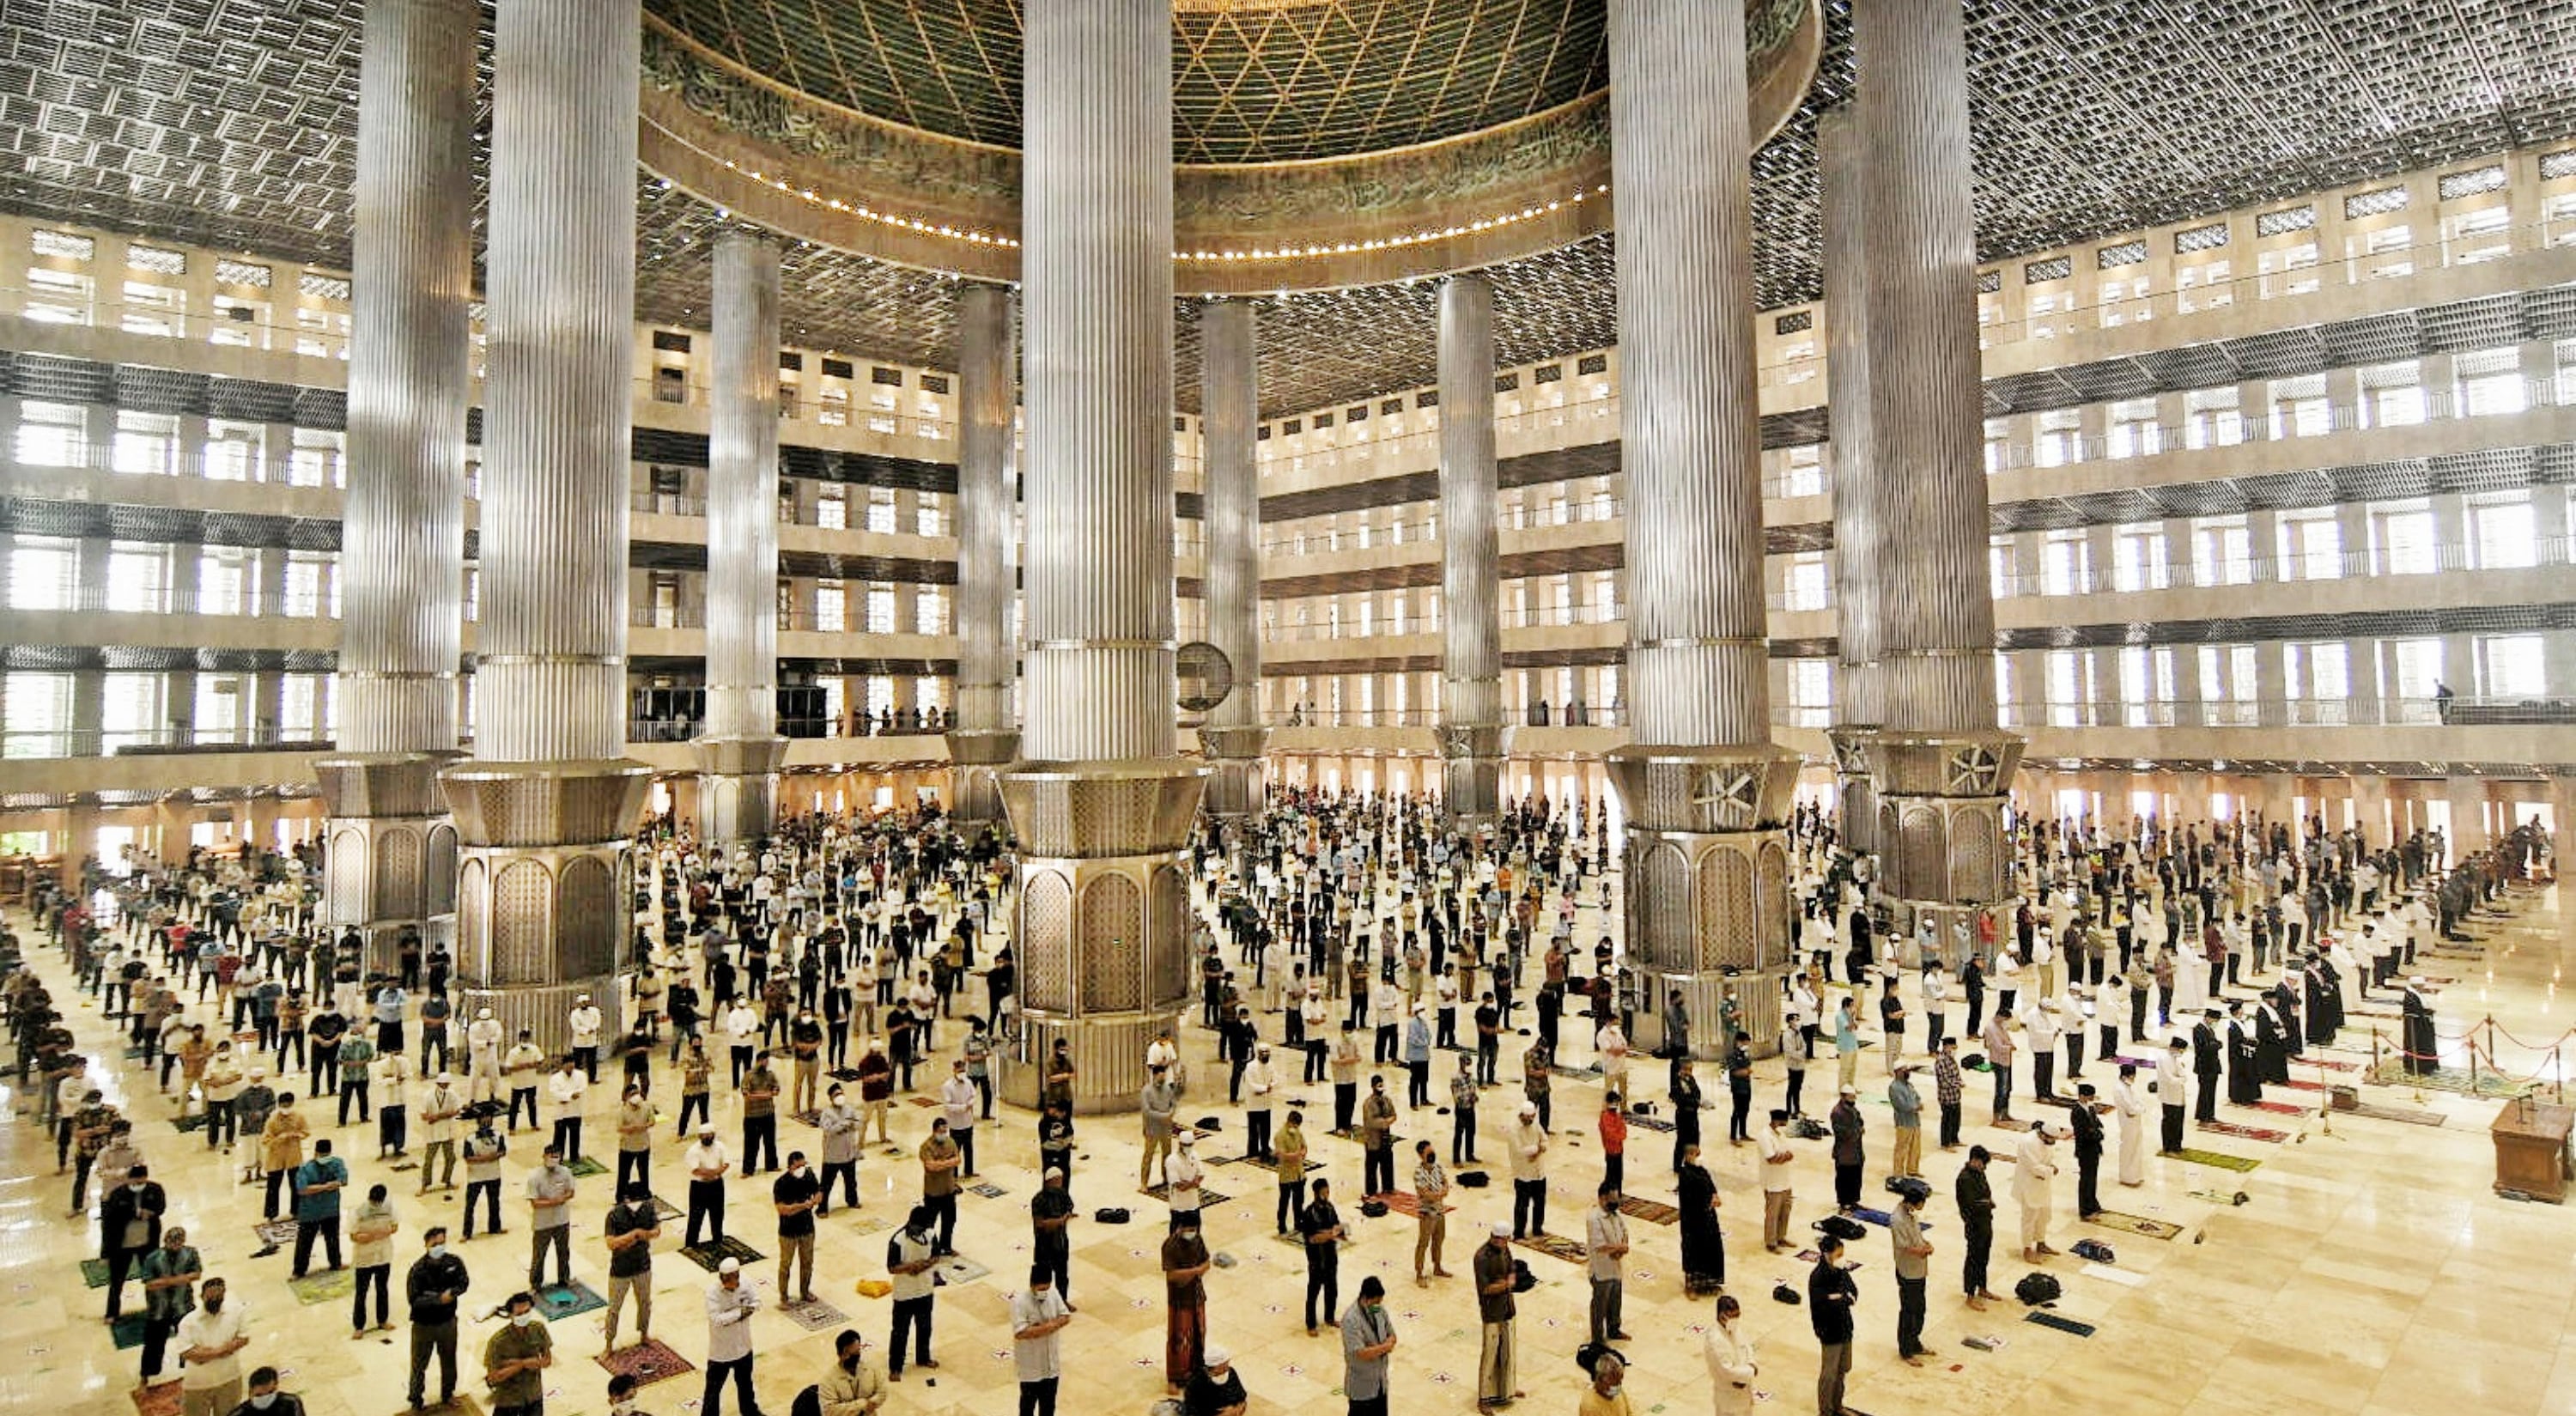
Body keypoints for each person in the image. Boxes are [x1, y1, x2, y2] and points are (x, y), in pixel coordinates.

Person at [406, 1226, 470, 1410]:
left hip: (447, 1322)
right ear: (426, 1245)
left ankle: (448, 1393)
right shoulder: (418, 1270)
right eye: (435, 1244)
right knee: (419, 1364)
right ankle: (416, 1399)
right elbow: (414, 1300)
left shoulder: (454, 1262)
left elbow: (464, 1282)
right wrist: (438, 1300)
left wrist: (454, 1293)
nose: (439, 1247)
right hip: (423, 1326)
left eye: (442, 1243)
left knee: (449, 1360)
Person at [138, 1224, 203, 1389]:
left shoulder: (190, 1253)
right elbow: (150, 1284)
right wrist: (177, 1280)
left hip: (183, 1307)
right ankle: (145, 1377)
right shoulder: (153, 1258)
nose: (175, 1245)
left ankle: (192, 1370)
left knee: (190, 1340)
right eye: (172, 1242)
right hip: (159, 1309)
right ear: (165, 1241)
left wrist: (165, 1281)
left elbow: (197, 1274)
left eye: (179, 1242)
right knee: (153, 1344)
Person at [101, 1161, 167, 1322]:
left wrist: (150, 1213)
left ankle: (155, 1308)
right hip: (122, 1246)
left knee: (152, 1278)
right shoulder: (118, 1195)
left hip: (147, 1242)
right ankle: (112, 1313)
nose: (139, 1183)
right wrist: (105, 1253)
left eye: (142, 1180)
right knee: (117, 1280)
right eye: (136, 1181)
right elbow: (109, 1224)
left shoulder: (155, 1189)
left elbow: (160, 1208)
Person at [175, 1276, 250, 1416]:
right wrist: (222, 1351)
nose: (215, 1299)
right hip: (197, 1384)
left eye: (219, 1296)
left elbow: (244, 1338)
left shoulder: (236, 1312)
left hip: (230, 1377)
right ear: (202, 1296)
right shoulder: (188, 1322)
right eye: (211, 1296)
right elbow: (188, 1354)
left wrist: (205, 1354)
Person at [887, 1204, 942, 1380]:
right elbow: (892, 1267)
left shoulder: (931, 1234)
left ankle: (923, 1357)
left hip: (925, 1290)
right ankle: (896, 1367)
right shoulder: (897, 1240)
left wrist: (925, 1264)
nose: (922, 1231)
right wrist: (910, 1267)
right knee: (900, 1332)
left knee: (925, 1327)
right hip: (904, 1294)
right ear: (912, 1223)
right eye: (920, 1228)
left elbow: (936, 1256)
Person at [602, 1183, 659, 1352]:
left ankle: (644, 1334)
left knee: (645, 1303)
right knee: (614, 1308)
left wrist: (643, 1234)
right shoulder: (614, 1215)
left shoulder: (648, 1208)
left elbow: (656, 1231)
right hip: (620, 1270)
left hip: (642, 1265)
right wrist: (632, 1235)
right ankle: (608, 1344)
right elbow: (611, 1243)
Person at [1010, 1267, 1072, 1416]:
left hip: (1051, 1364)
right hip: (1031, 1367)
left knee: (1049, 1407)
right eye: (1041, 1288)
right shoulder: (1020, 1302)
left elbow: (1065, 1316)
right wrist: (1048, 1327)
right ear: (1032, 1285)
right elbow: (1020, 1332)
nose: (1044, 1291)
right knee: (1027, 1407)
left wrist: (1045, 1327)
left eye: (1047, 1287)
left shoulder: (1053, 1294)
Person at [1160, 1209, 1211, 1391]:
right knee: (1178, 1338)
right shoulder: (1170, 1246)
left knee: (1199, 1333)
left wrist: (1196, 1271)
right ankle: (1174, 1376)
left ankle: (1196, 1371)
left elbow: (1206, 1262)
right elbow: (1172, 1276)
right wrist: (1195, 1272)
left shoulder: (1198, 1240)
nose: (1192, 1232)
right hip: (1179, 1300)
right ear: (1180, 1228)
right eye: (1189, 1228)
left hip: (1197, 1296)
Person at [1807, 1236, 1858, 1416]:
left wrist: (1839, 1298)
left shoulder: (1841, 1271)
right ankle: (1826, 1410)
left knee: (1843, 1368)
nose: (1841, 1258)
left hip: (1845, 1326)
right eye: (1838, 1254)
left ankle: (1838, 1405)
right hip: (1829, 1331)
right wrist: (1841, 1299)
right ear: (1827, 1254)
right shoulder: (1818, 1277)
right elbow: (1823, 1305)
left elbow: (1853, 1292)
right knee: (1829, 1374)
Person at [702, 1258, 762, 1413]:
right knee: (713, 1391)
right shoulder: (712, 1292)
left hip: (743, 1346)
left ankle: (750, 1411)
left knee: (746, 1385)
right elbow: (717, 1320)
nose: (729, 1285)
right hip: (721, 1351)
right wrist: (740, 1313)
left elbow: (756, 1302)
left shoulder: (746, 1283)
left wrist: (740, 1312)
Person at [1473, 1221, 1520, 1412]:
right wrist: (1506, 1285)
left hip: (1507, 1307)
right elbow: (1485, 1288)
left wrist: (1508, 1282)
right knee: (1490, 1355)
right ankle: (1484, 1398)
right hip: (1492, 1312)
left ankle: (1506, 1390)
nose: (1506, 1243)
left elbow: (1511, 1271)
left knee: (1507, 1351)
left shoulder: (1505, 1250)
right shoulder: (1482, 1257)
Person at [482, 1291, 552, 1416]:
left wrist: (514, 1363)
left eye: (527, 1312)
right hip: (508, 1400)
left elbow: (547, 1361)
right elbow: (493, 1378)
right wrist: (522, 1365)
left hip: (533, 1395)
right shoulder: (498, 1342)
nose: (523, 1316)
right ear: (510, 1315)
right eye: (519, 1314)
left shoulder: (538, 1329)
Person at [1340, 1273, 1398, 1416]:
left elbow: (1392, 1335)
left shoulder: (1378, 1310)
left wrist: (1390, 1342)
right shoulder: (1351, 1320)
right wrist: (1385, 1347)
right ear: (1365, 1299)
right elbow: (1360, 1353)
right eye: (1376, 1302)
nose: (1378, 1306)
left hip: (1380, 1383)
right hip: (1362, 1387)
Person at [1890, 1182, 1934, 1365]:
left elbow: (1917, 1235)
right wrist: (1922, 1251)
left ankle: (1915, 1342)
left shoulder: (1911, 1214)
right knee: (1909, 1311)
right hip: (1907, 1270)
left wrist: (1926, 1243)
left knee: (1920, 1309)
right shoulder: (1897, 1219)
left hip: (1919, 1269)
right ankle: (1906, 1350)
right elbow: (1904, 1245)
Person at [291, 1138, 348, 1278]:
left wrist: (326, 1186)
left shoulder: (337, 1163)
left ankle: (335, 1263)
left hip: (330, 1210)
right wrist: (326, 1186)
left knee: (333, 1239)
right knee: (305, 1242)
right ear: (316, 1153)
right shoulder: (306, 1168)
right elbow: (302, 1189)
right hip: (311, 1212)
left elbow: (344, 1180)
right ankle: (299, 1270)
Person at [1584, 1182, 1631, 1347]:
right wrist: (1619, 1248)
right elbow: (1599, 1245)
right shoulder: (1594, 1218)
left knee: (1615, 1300)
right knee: (1600, 1304)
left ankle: (1614, 1329)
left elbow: (1625, 1232)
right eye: (1612, 1199)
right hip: (1601, 1269)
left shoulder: (1615, 1214)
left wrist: (1622, 1247)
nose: (1615, 1202)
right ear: (1602, 1198)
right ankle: (1597, 1338)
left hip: (1616, 1267)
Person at [350, 1182, 399, 1336]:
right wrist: (365, 1237)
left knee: (382, 1289)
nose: (376, 1205)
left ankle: (382, 1320)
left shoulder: (389, 1207)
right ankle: (359, 1326)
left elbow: (395, 1227)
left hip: (383, 1256)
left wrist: (385, 1231)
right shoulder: (359, 1211)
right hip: (364, 1258)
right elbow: (353, 1235)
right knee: (361, 1292)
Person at [775, 1151, 823, 1304]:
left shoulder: (808, 1175)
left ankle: (805, 1291)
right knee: (786, 1264)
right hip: (788, 1232)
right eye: (798, 1166)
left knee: (807, 1262)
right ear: (790, 1167)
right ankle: (784, 1296)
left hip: (807, 1228)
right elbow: (783, 1209)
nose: (802, 1168)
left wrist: (814, 1200)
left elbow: (819, 1194)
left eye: (803, 1165)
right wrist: (803, 1206)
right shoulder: (781, 1183)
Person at [1300, 1176, 1346, 1334]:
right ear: (1316, 1193)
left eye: (1328, 1192)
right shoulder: (1309, 1213)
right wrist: (1329, 1234)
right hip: (1316, 1258)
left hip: (1330, 1255)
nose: (1327, 1195)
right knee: (1313, 1291)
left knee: (1332, 1288)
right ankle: (1311, 1324)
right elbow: (1313, 1238)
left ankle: (1330, 1317)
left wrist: (1337, 1233)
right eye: (1324, 1192)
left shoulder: (1330, 1208)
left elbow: (1337, 1227)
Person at [1676, 1142, 1723, 1292]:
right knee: (1693, 1250)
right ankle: (1691, 1285)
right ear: (1688, 1156)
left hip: (1708, 1217)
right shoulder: (1685, 1174)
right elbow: (1689, 1197)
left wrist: (1715, 1196)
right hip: (1693, 1219)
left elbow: (1711, 1185)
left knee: (1711, 1247)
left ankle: (1708, 1281)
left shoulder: (1701, 1170)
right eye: (1695, 1154)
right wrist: (1706, 1202)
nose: (1698, 1157)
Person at [1956, 1145, 1999, 1309]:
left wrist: (1988, 1202)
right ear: (1974, 1160)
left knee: (1984, 1256)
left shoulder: (1980, 1173)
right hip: (1974, 1223)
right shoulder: (1965, 1178)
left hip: (1986, 1221)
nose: (1984, 1167)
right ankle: (1970, 1294)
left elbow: (1985, 1193)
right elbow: (1969, 1204)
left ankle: (1983, 1287)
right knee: (1973, 1258)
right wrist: (1987, 1204)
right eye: (1983, 1163)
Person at [1704, 1293, 1759, 1416]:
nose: (1736, 1319)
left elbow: (1747, 1347)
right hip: (1728, 1398)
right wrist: (1750, 1372)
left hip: (1744, 1394)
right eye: (1733, 1316)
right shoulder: (1715, 1340)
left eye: (1738, 1315)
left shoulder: (1735, 1328)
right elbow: (1726, 1370)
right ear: (1722, 1316)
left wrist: (1752, 1363)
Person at [2014, 1122, 2062, 1262]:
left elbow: (2048, 1158)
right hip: (2029, 1185)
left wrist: (2051, 1166)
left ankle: (2041, 1243)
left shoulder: (2046, 1142)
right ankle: (2027, 1249)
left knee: (2044, 1215)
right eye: (2051, 1139)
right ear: (2043, 1135)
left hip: (2043, 1185)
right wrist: (2051, 1170)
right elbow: (2034, 1167)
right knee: (2029, 1218)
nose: (2053, 1142)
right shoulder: (2028, 1142)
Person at [1030, 1166, 1075, 1302]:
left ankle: (1063, 1302)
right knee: (1043, 1275)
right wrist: (1059, 1221)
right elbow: (1040, 1224)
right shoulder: (1039, 1199)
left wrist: (1063, 1219)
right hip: (1044, 1244)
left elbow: (1069, 1209)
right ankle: (1041, 1304)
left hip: (1060, 1241)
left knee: (1062, 1275)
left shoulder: (1062, 1194)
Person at [819, 1328, 889, 1416]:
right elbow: (829, 1411)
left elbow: (882, 1391)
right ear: (840, 1354)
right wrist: (862, 1405)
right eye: (845, 1354)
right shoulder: (828, 1379)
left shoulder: (870, 1368)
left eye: (854, 1353)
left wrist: (873, 1402)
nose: (847, 1357)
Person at [919, 1118, 963, 1254]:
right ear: (934, 1131)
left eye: (945, 1131)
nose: (943, 1134)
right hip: (933, 1192)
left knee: (950, 1220)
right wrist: (948, 1162)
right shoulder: (926, 1146)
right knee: (930, 1223)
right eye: (941, 1131)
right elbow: (931, 1166)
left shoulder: (951, 1142)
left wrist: (940, 1163)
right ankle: (931, 1248)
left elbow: (958, 1160)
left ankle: (946, 1246)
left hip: (948, 1190)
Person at [818, 1084, 863, 1214]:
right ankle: (822, 1207)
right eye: (836, 1095)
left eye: (841, 1094)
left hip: (848, 1153)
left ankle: (852, 1200)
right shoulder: (827, 1113)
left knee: (851, 1182)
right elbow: (828, 1130)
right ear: (831, 1098)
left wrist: (853, 1125)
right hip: (832, 1155)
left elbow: (858, 1124)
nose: (839, 1097)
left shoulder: (849, 1109)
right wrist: (844, 1124)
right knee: (826, 1185)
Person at [461, 1114, 507, 1240]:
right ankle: (467, 1232)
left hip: (494, 1174)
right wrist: (486, 1158)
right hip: (475, 1177)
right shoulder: (470, 1139)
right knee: (470, 1205)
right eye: (484, 1120)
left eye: (489, 1119)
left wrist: (491, 1157)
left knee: (494, 1202)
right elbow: (468, 1157)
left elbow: (502, 1151)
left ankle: (495, 1227)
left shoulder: (498, 1135)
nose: (486, 1122)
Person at [1413, 1139, 1452, 1282]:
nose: (1432, 1155)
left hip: (1440, 1210)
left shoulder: (1438, 1167)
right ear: (1421, 1155)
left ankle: (1437, 1267)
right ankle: (1419, 1273)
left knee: (1439, 1240)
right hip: (1427, 1212)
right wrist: (1440, 1194)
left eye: (1432, 1152)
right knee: (1423, 1242)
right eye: (1428, 1153)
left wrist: (1444, 1191)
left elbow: (1445, 1181)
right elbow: (1425, 1193)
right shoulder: (1418, 1172)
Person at [685, 1126, 731, 1249]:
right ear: (700, 1137)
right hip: (699, 1186)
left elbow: (726, 1163)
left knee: (717, 1213)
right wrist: (713, 1173)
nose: (707, 1138)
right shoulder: (693, 1150)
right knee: (696, 1215)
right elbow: (695, 1170)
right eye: (705, 1136)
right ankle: (691, 1242)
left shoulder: (720, 1147)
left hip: (716, 1184)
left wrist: (716, 1173)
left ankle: (718, 1238)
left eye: (709, 1135)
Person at [1510, 1102, 1549, 1238]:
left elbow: (1545, 1141)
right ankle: (1519, 1231)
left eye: (1532, 1117)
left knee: (1540, 1202)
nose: (1530, 1120)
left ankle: (1537, 1228)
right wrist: (1537, 1149)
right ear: (1521, 1116)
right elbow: (1520, 1151)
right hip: (1523, 1174)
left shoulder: (1536, 1125)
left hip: (1538, 1172)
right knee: (1522, 1204)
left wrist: (1537, 1149)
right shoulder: (1514, 1130)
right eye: (1528, 1118)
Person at [420, 1073, 463, 1193]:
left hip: (447, 1131)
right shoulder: (428, 1096)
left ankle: (447, 1180)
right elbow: (424, 1116)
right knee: (429, 1159)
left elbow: (457, 1110)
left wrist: (438, 1116)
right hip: (433, 1133)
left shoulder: (452, 1094)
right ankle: (425, 1184)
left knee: (451, 1158)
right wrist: (443, 1115)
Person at [1759, 1110, 1795, 1253]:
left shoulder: (1781, 1135)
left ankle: (1781, 1236)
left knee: (1785, 1211)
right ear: (1775, 1122)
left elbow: (1789, 1154)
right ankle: (1771, 1242)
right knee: (1773, 1214)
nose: (1784, 1126)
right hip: (1772, 1182)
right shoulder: (1764, 1136)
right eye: (1782, 1123)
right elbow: (1771, 1159)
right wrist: (1783, 1157)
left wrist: (1784, 1157)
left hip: (1785, 1180)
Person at [741, 1050, 781, 1176]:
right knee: (751, 1144)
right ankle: (748, 1170)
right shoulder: (749, 1075)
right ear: (758, 1061)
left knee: (770, 1142)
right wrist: (766, 1095)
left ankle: (772, 1165)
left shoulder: (770, 1075)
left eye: (767, 1061)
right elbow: (746, 1094)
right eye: (764, 1060)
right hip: (752, 1115)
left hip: (768, 1113)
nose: (766, 1063)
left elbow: (776, 1089)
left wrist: (760, 1094)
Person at [2069, 1084, 2107, 1219]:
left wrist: (2099, 1131)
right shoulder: (2077, 1111)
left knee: (2093, 1178)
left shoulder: (2090, 1108)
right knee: (2086, 1179)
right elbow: (2082, 1132)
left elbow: (2097, 1123)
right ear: (2082, 1096)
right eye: (2089, 1096)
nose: (2091, 1099)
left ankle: (2093, 1203)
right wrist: (2096, 1134)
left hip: (2094, 1148)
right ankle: (2085, 1209)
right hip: (2085, 1149)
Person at [1139, 1065, 1180, 1189]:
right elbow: (1147, 1111)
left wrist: (1171, 1113)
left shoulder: (1167, 1089)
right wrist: (1165, 1116)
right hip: (1152, 1128)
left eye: (1164, 1076)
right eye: (1161, 1076)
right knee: (1149, 1155)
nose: (1163, 1078)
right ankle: (1144, 1183)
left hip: (1166, 1128)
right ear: (1155, 1075)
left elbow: (1173, 1104)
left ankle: (1166, 1177)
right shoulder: (1146, 1091)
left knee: (1167, 1155)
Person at [939, 1059, 980, 1177]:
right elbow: (948, 1106)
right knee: (955, 1151)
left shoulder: (968, 1082)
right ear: (954, 1070)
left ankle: (969, 1171)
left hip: (968, 1121)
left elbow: (974, 1095)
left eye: (963, 1070)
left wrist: (970, 1104)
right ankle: (953, 1174)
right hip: (955, 1124)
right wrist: (963, 1108)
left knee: (969, 1148)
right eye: (959, 1070)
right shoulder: (947, 1086)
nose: (962, 1072)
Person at [1828, 1085, 1864, 1214]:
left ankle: (1853, 1200)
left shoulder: (1853, 1109)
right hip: (1844, 1153)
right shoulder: (1837, 1112)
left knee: (1855, 1177)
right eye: (1851, 1096)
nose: (1854, 1099)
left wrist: (1859, 1128)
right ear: (1844, 1097)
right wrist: (1857, 1131)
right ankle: (1844, 1203)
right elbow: (1841, 1133)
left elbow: (1860, 1121)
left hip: (1856, 1151)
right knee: (1844, 1178)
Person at [1360, 1075, 1398, 1196]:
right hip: (1373, 1139)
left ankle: (1388, 1187)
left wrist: (1388, 1121)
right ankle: (1371, 1190)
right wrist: (1385, 1122)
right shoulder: (1368, 1103)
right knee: (1372, 1166)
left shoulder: (1387, 1100)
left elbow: (1393, 1114)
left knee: (1387, 1163)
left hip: (1386, 1138)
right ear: (1373, 1087)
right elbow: (1370, 1121)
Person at [1183, 1344, 1248, 1416]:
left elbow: (1241, 1397)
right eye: (1223, 1366)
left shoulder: (1231, 1373)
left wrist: (1238, 1407)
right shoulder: (1196, 1383)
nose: (1226, 1369)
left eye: (1227, 1364)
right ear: (1211, 1367)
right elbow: (1192, 1411)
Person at [1275, 1109, 1311, 1235]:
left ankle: (1298, 1222)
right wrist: (1296, 1155)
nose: (1296, 1128)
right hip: (1286, 1174)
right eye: (1295, 1125)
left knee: (1299, 1200)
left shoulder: (1297, 1132)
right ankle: (1281, 1224)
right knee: (1284, 1200)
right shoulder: (1280, 1135)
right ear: (1289, 1122)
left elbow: (1304, 1145)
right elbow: (1281, 1155)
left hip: (1299, 1173)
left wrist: (1303, 1152)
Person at [2112, 1062, 2148, 1186]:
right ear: (2124, 1076)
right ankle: (2127, 1177)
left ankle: (2136, 1175)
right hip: (2127, 1123)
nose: (2133, 1079)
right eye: (2131, 1077)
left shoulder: (2129, 1087)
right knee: (2128, 1150)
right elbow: (2131, 1109)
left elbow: (2140, 1102)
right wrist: (2139, 1109)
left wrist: (2140, 1108)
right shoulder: (2119, 1089)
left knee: (2137, 1148)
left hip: (2135, 1121)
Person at [1888, 1065, 1923, 1180]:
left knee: (1915, 1146)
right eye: (1904, 1071)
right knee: (1902, 1147)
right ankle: (1898, 1172)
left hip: (1914, 1120)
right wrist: (1915, 1107)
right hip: (1903, 1121)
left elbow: (1917, 1097)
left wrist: (1918, 1105)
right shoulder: (1894, 1087)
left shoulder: (1909, 1085)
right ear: (1898, 1072)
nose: (1907, 1072)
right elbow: (1901, 1105)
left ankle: (1912, 1169)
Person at [2156, 1036, 2190, 1154]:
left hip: (2178, 1095)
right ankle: (2168, 1146)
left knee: (2179, 1122)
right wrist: (2181, 1079)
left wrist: (2182, 1078)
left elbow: (2183, 1075)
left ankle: (2177, 1145)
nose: (2181, 1053)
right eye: (2181, 1051)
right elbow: (2169, 1078)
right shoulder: (2163, 1059)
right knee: (2169, 1121)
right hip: (2168, 1096)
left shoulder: (2176, 1059)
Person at [1983, 1009, 2017, 1125]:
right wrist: (2009, 1048)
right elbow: (1997, 1046)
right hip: (1998, 1060)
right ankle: (1996, 1116)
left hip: (2006, 1059)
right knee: (2001, 1090)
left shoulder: (2000, 1025)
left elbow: (2007, 1038)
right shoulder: (1990, 1028)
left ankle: (2005, 1112)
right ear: (1999, 1016)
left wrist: (2011, 1044)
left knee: (2008, 1088)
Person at [230, 1365, 304, 1416]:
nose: (264, 1397)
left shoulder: (291, 1403)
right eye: (259, 1395)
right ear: (250, 1393)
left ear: (276, 1387)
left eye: (270, 1392)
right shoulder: (239, 1414)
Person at [1596, 1091, 1628, 1194]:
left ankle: (1617, 1193)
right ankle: (1608, 1193)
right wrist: (1619, 1136)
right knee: (1611, 1175)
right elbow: (1610, 1134)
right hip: (1611, 1150)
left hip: (1618, 1149)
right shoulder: (1605, 1117)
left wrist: (1620, 1136)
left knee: (1619, 1174)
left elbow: (1623, 1129)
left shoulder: (1617, 1116)